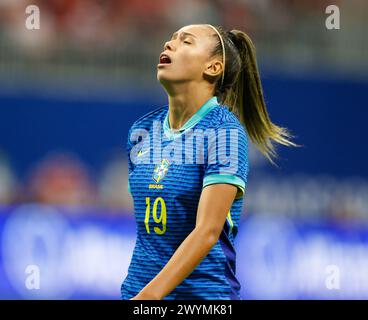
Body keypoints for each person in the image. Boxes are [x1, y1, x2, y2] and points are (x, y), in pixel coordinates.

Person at [121, 24, 297, 300]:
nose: (169, 44)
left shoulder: (223, 133)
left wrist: (150, 297)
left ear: (213, 68)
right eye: (170, 39)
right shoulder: (141, 131)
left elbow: (207, 231)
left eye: (186, 42)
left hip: (201, 298)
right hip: (137, 291)